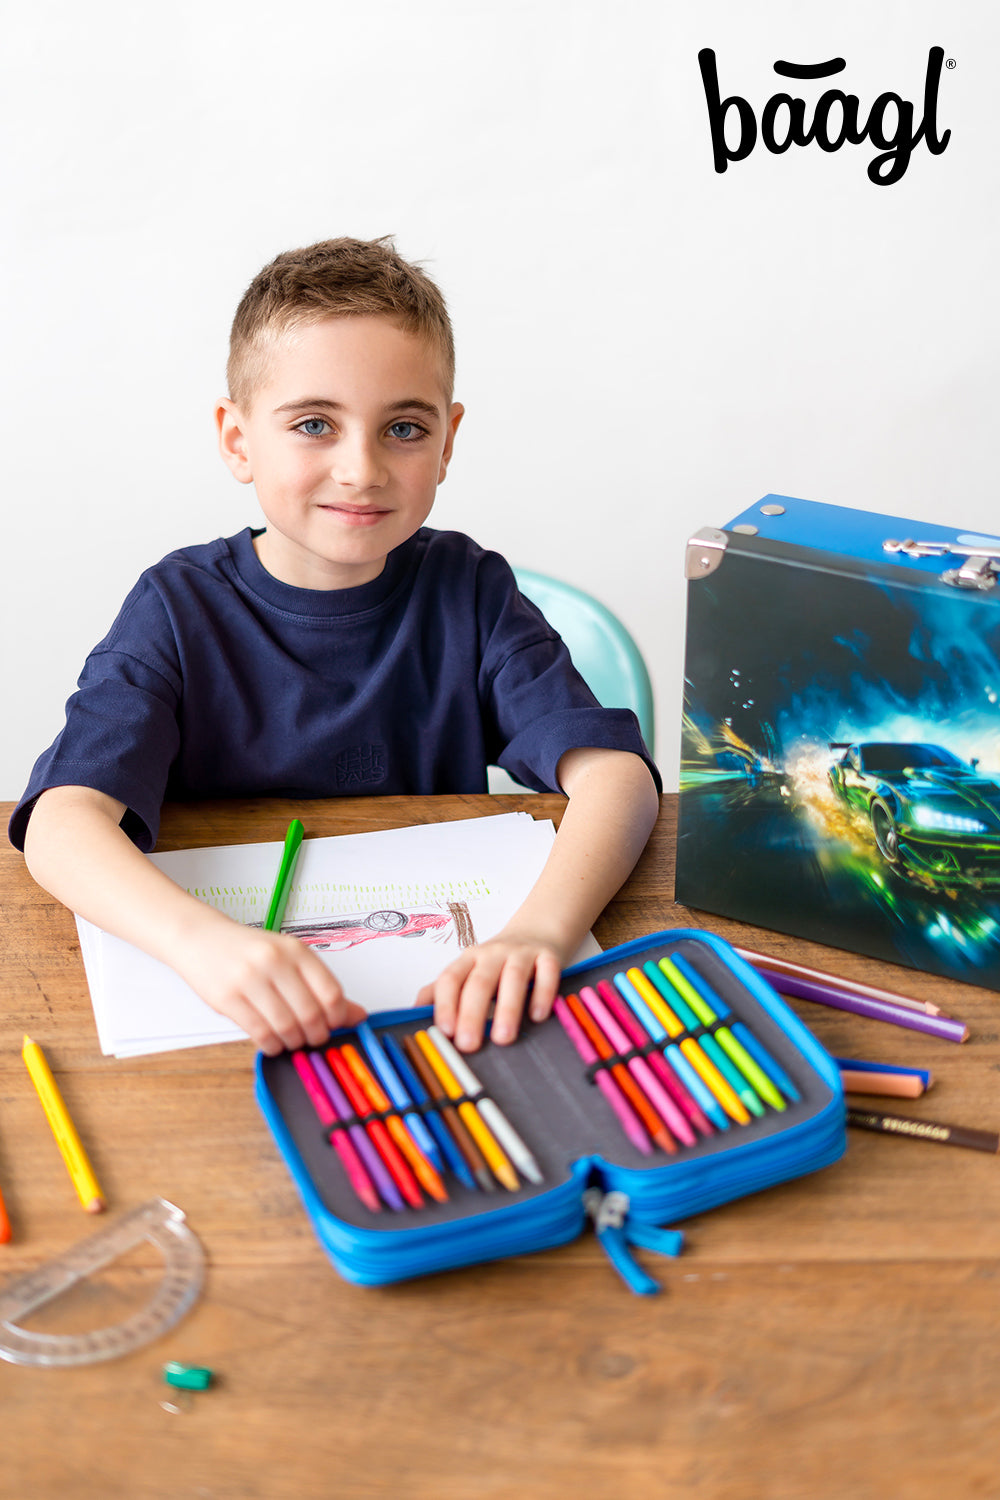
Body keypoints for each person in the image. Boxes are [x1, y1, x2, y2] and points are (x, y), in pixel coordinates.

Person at [10, 237, 660, 1055]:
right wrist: (202, 945)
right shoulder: (175, 608)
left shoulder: (470, 590)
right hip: (227, 1027)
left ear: (448, 441)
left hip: (434, 1022)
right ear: (238, 439)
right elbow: (61, 825)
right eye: (315, 424)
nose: (362, 469)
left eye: (404, 428)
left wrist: (538, 936)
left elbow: (619, 781)